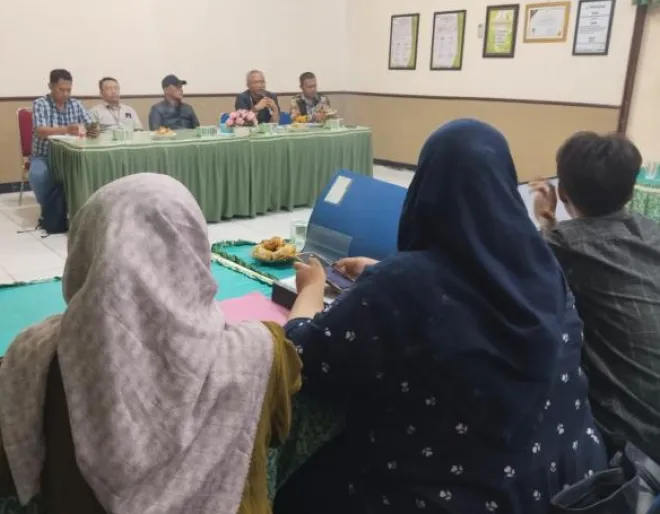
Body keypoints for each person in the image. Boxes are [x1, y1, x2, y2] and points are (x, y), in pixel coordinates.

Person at [274, 119, 607, 514]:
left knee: (301, 486)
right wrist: (384, 271)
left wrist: (310, 291)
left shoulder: (403, 285)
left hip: (453, 497)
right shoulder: (544, 269)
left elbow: (303, 358)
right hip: (570, 489)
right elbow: (471, 292)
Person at [0, 174, 302, 514]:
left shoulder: (36, 357)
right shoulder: (256, 354)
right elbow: (277, 425)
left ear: (85, 254)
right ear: (194, 254)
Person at [531, 132, 660, 464]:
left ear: (562, 191)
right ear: (631, 190)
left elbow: (535, 263)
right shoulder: (652, 231)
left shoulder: (563, 243)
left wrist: (545, 219)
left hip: (634, 441)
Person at [29, 69, 98, 220]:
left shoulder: (75, 104)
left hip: (71, 155)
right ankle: (49, 210)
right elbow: (40, 131)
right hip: (45, 155)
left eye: (69, 90)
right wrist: (66, 129)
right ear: (51, 86)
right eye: (61, 90)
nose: (66, 94)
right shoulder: (41, 103)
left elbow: (89, 124)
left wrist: (93, 130)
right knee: (38, 175)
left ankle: (83, 211)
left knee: (92, 168)